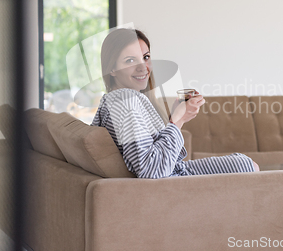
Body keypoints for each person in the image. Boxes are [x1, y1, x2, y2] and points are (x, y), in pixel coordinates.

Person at [91, 28, 260, 178]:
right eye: (130, 60)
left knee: (244, 162)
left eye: (146, 57)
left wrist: (177, 118)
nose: (143, 67)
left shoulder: (113, 100)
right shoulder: (127, 103)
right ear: (111, 69)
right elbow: (151, 170)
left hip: (174, 170)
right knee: (248, 166)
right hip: (170, 183)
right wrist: (177, 120)